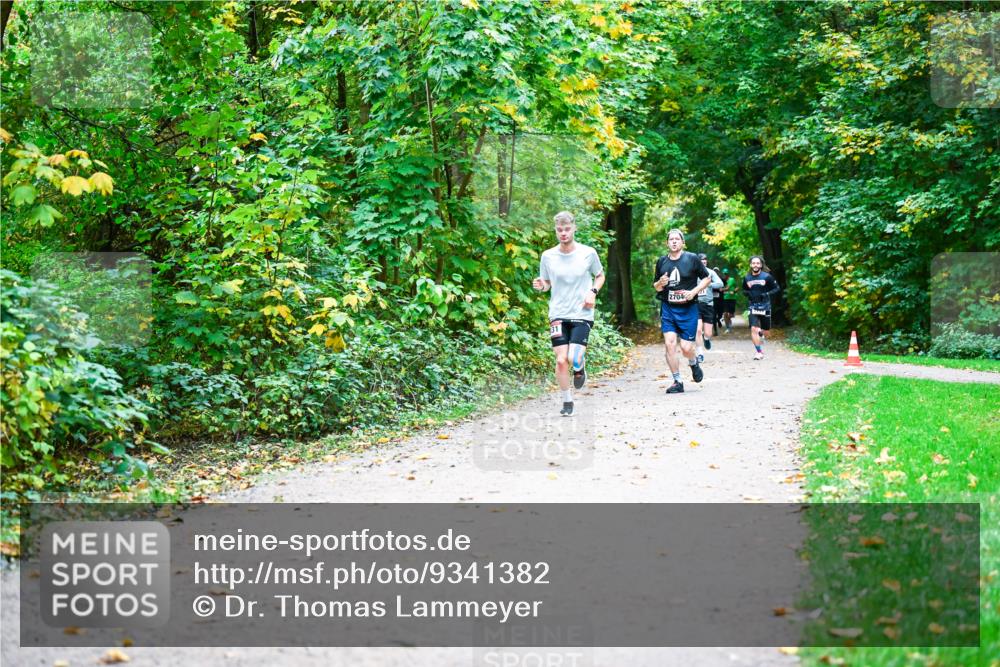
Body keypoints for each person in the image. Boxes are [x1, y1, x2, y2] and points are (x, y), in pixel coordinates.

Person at [533, 211, 605, 415]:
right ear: (555, 231)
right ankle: (567, 401)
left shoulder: (588, 253)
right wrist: (541, 285)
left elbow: (600, 276)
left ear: (574, 228)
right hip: (558, 313)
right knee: (560, 360)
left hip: (582, 313)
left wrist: (593, 292)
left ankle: (580, 368)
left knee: (574, 357)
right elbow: (547, 283)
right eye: (559, 230)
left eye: (567, 229)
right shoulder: (548, 256)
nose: (563, 233)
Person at [654, 230, 711, 394]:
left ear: (683, 242)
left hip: (688, 309)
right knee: (669, 344)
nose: (674, 241)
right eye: (671, 239)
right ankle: (677, 381)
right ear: (667, 243)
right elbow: (656, 287)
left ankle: (693, 362)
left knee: (686, 348)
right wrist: (660, 283)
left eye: (677, 239)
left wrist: (693, 292)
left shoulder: (692, 259)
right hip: (668, 309)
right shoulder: (662, 261)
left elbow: (707, 278)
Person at [741, 255, 780, 360]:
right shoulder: (747, 277)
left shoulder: (767, 277)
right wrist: (747, 293)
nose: (755, 265)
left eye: (758, 263)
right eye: (753, 263)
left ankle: (761, 332)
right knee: (753, 328)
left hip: (765, 306)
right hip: (753, 305)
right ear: (750, 265)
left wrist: (766, 294)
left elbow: (776, 288)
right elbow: (744, 290)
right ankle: (759, 352)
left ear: (761, 265)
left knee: (766, 331)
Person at [695, 254, 724, 363]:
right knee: (698, 330)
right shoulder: (692, 272)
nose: (703, 262)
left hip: (708, 304)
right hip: (695, 304)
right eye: (701, 260)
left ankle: (706, 338)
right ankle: (700, 354)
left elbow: (720, 283)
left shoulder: (711, 272)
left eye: (705, 260)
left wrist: (708, 284)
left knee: (708, 333)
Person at [722, 269, 738, 333]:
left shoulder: (732, 279)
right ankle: (728, 327)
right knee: (725, 314)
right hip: (725, 298)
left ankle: (730, 320)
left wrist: (733, 291)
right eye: (724, 274)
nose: (725, 275)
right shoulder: (722, 281)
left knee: (730, 315)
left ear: (728, 274)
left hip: (732, 298)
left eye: (726, 274)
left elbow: (737, 287)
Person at [712, 266, 725, 331]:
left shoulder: (722, 279)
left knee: (720, 313)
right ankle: (715, 330)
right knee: (713, 314)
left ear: (718, 272)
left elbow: (726, 287)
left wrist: (723, 289)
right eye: (714, 271)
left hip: (720, 299)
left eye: (717, 271)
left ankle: (718, 320)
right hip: (713, 299)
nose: (716, 272)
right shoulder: (710, 279)